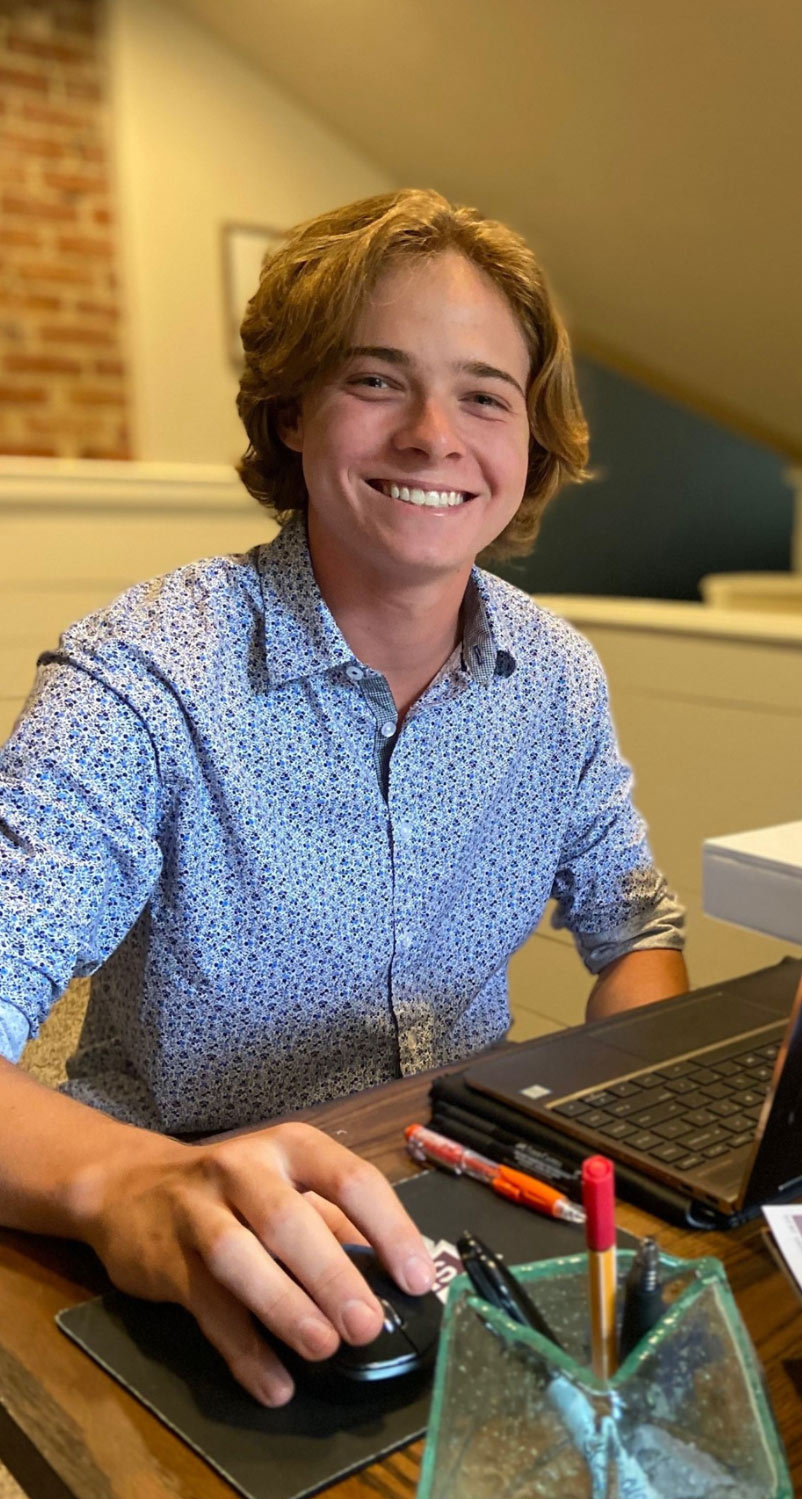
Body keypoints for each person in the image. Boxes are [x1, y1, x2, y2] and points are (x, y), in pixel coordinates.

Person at [0, 190, 688, 1406]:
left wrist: (621, 1135)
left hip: (476, 1213)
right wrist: (129, 1186)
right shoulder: (142, 676)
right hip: (204, 1243)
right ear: (292, 414)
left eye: (486, 394)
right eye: (377, 381)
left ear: (531, 439)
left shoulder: (559, 678)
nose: (437, 434)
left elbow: (638, 936)